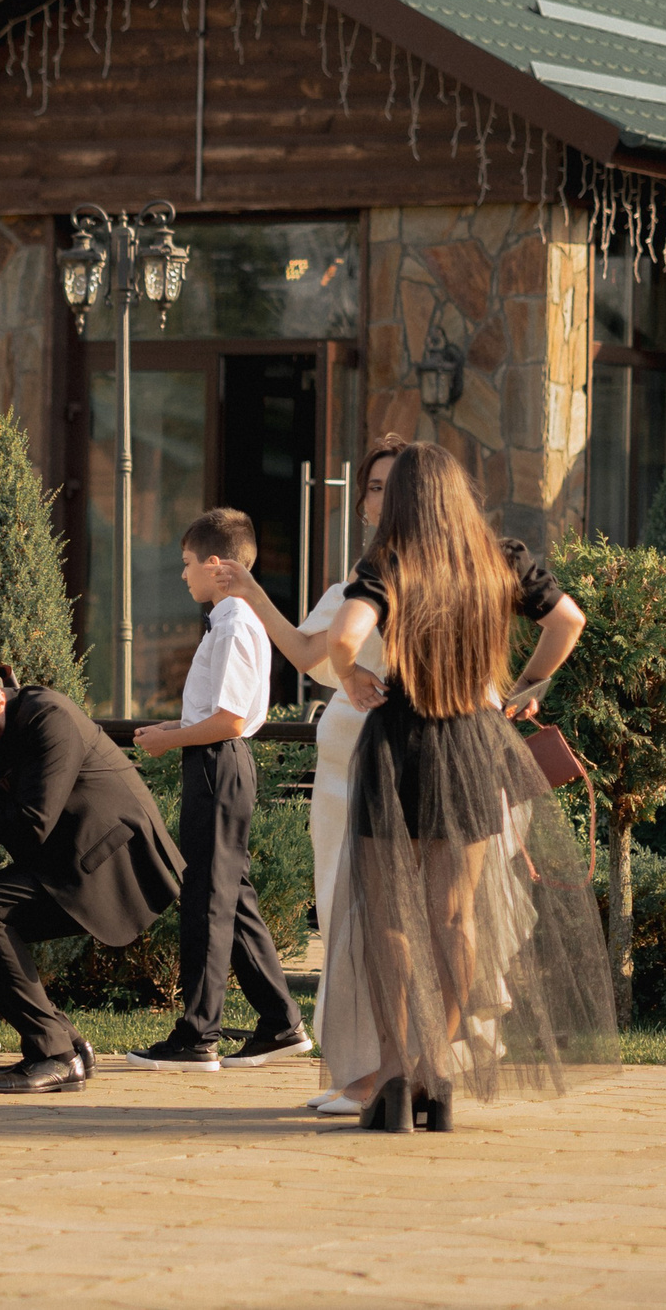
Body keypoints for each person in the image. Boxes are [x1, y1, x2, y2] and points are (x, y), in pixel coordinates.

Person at [318, 441, 609, 1132]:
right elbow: (568, 620)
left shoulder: (389, 564)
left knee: (390, 917)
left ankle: (394, 1078)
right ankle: (436, 1073)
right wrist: (524, 689)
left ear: (403, 499)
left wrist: (352, 675)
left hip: (399, 746)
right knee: (456, 917)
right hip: (474, 743)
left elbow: (344, 636)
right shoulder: (500, 560)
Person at [208, 434, 402, 1113]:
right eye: (373, 487)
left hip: (396, 764)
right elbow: (306, 652)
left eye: (394, 487)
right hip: (343, 769)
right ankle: (366, 1070)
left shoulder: (425, 580)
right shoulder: (356, 584)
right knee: (345, 913)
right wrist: (251, 588)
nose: (380, 499)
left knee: (384, 920)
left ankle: (384, 1075)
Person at [0, 664, 185, 1094]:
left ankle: (55, 1055)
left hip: (112, 863)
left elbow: (32, 823)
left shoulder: (49, 718)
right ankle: (63, 1043)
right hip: (59, 863)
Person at [125, 508, 310, 1072]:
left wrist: (169, 740)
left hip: (218, 763)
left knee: (207, 895)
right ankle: (280, 1023)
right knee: (232, 893)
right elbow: (221, 716)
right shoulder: (229, 621)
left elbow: (229, 720)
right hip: (217, 762)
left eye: (187, 563)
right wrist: (174, 731)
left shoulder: (232, 625)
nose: (182, 574)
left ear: (215, 564)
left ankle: (196, 1035)